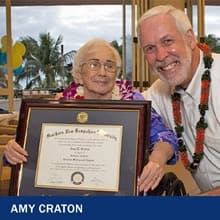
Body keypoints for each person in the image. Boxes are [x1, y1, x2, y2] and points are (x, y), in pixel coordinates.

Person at [4, 38, 178, 194]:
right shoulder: (59, 105)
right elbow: (28, 145)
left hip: (121, 192)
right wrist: (12, 150)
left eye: (109, 66)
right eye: (94, 64)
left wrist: (157, 158)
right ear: (79, 73)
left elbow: (166, 137)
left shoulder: (133, 102)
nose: (103, 72)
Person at [137, 4, 220, 193]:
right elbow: (125, 109)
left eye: (167, 41)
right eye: (150, 48)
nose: (161, 55)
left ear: (190, 39)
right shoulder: (160, 90)